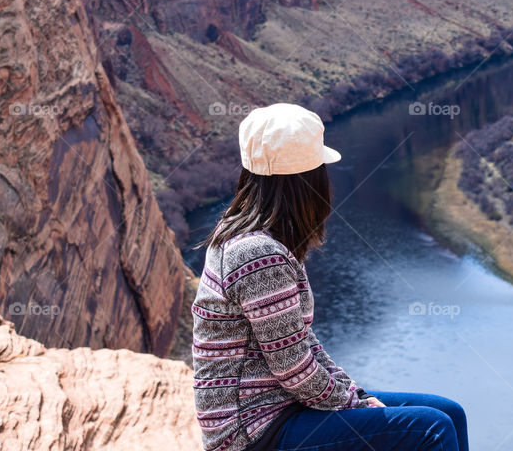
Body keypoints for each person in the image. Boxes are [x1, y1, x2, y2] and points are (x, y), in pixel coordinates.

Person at [192, 103, 469, 451]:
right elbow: (293, 367)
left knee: (448, 412)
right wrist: (353, 403)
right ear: (305, 181)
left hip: (278, 407)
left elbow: (301, 343)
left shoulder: (251, 237)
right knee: (431, 428)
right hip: (252, 430)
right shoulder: (258, 254)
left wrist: (353, 392)